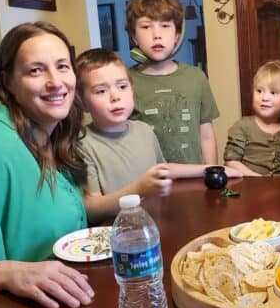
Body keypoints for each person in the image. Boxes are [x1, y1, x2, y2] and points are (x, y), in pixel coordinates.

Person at [0, 22, 94, 308]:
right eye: (36, 70)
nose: (56, 82)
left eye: (62, 66)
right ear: (8, 83)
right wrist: (9, 272)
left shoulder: (53, 139)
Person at [76, 48, 241, 223]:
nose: (115, 96)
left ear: (132, 90)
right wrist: (139, 189)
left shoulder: (144, 130)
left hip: (157, 225)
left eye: (122, 86)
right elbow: (92, 209)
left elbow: (163, 170)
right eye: (101, 91)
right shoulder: (83, 143)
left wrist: (208, 169)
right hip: (120, 237)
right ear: (82, 102)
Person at [126, 0, 220, 164]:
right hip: (148, 183)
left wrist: (211, 173)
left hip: (195, 181)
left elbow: (206, 136)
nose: (157, 35)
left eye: (165, 26)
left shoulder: (196, 77)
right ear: (134, 36)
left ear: (177, 34)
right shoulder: (124, 82)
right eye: (146, 26)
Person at [224, 60, 280, 176]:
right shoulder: (243, 126)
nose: (265, 97)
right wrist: (258, 179)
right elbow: (231, 161)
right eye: (259, 91)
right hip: (251, 188)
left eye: (273, 92)